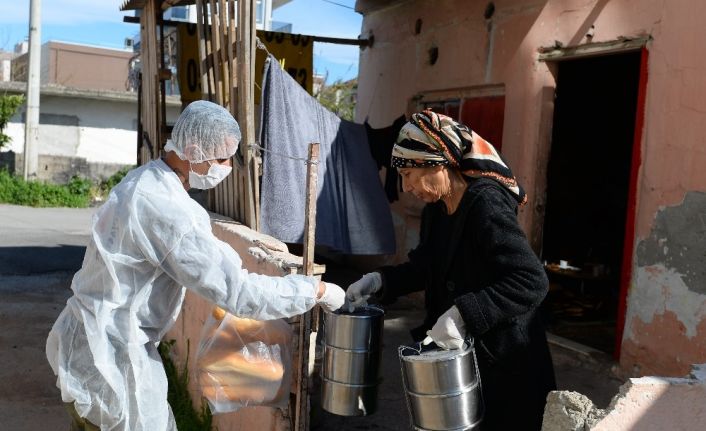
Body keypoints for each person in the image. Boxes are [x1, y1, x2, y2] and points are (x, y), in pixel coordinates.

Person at [46, 100, 346, 431]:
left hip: (89, 342)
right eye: (221, 158)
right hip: (114, 362)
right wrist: (314, 290)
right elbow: (239, 292)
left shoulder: (144, 180)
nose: (228, 166)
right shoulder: (169, 210)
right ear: (192, 150)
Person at [345, 110, 555, 430]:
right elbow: (426, 265)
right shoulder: (438, 210)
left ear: (438, 164)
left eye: (410, 175)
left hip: (506, 359)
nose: (407, 187)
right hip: (466, 360)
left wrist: (464, 314)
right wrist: (381, 280)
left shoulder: (485, 204)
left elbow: (531, 280)